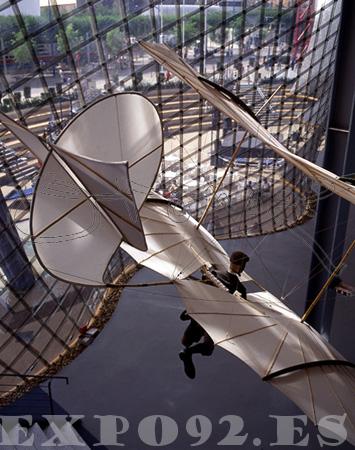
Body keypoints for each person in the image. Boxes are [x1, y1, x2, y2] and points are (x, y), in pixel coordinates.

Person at [179, 251, 249, 379]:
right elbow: (242, 306)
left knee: (186, 341)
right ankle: (187, 352)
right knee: (207, 348)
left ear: (231, 262)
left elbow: (202, 290)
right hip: (212, 317)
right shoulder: (238, 285)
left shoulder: (215, 273)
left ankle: (187, 351)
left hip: (201, 312)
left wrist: (189, 310)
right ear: (241, 267)